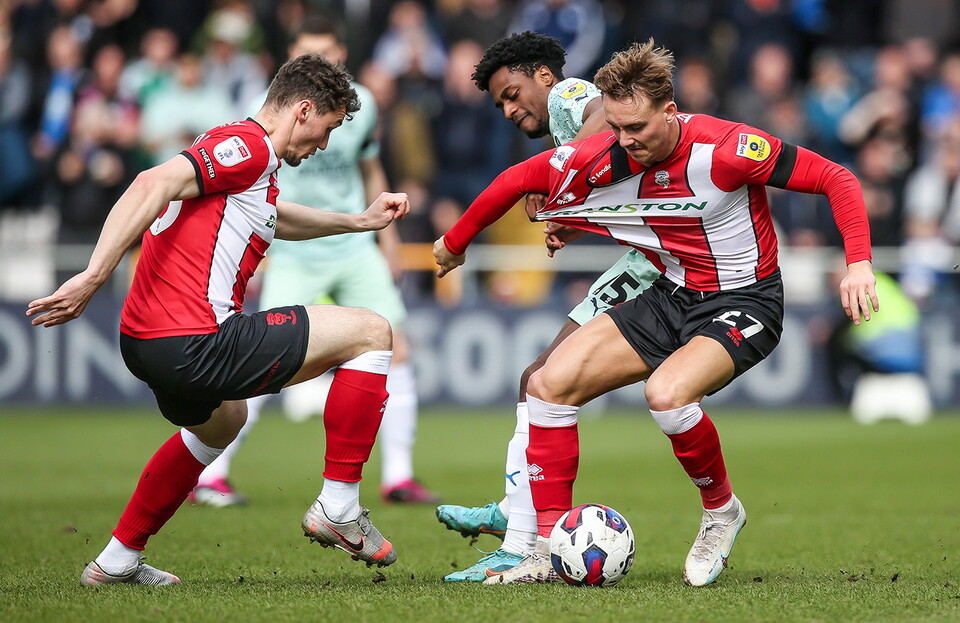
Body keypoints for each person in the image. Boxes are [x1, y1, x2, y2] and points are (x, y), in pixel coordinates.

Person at [434, 39, 878, 586]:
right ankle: (543, 551)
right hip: (670, 293)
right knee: (548, 384)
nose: (626, 143)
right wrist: (454, 243)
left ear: (670, 112)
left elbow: (837, 179)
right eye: (616, 129)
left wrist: (858, 264)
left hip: (745, 299)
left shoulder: (729, 148)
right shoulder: (613, 149)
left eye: (637, 129)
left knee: (666, 395)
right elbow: (515, 180)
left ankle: (721, 511)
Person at [27, 53, 409, 587]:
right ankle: (339, 506)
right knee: (372, 332)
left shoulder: (250, 159)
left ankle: (115, 561)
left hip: (144, 341)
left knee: (224, 421)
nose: (323, 146)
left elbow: (278, 217)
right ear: (302, 110)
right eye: (323, 131)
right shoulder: (249, 147)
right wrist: (92, 276)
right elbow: (148, 183)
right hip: (193, 339)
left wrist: (357, 221)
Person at [434, 31, 661, 582]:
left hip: (664, 267)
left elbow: (600, 118)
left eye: (513, 93)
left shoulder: (568, 96)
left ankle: (520, 538)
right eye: (500, 105)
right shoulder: (562, 128)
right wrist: (572, 219)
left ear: (542, 76)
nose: (509, 109)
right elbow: (620, 181)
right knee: (535, 379)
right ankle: (518, 514)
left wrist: (560, 179)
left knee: (541, 381)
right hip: (645, 259)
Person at [188, 14, 440, 509]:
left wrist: (386, 241)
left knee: (398, 347)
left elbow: (369, 166)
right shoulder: (263, 113)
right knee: (255, 360)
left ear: (342, 54)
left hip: (351, 247)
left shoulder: (358, 109)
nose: (319, 61)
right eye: (307, 52)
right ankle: (213, 475)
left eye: (327, 52)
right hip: (294, 247)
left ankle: (399, 477)